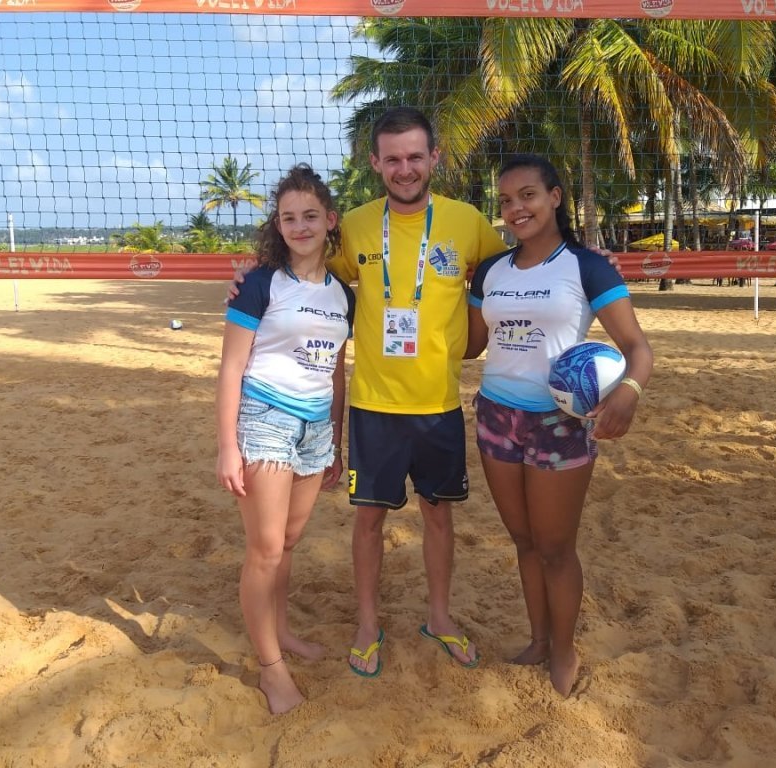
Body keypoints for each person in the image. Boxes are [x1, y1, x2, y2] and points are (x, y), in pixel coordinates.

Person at [228, 108, 622, 679]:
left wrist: (594, 259)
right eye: (392, 158)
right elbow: (302, 263)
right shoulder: (356, 226)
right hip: (372, 404)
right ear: (375, 164)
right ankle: (367, 623)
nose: (405, 168)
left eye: (415, 156)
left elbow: (528, 254)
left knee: (439, 518)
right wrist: (249, 275)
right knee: (368, 522)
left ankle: (439, 616)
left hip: (439, 403)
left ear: (434, 157)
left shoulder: (467, 223)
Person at [465, 154, 653, 697]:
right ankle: (540, 639)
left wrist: (629, 392)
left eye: (526, 195)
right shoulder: (493, 271)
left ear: (555, 197)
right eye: (505, 200)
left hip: (559, 423)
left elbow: (638, 348)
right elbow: (474, 345)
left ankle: (565, 650)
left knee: (555, 546)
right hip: (497, 415)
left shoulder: (588, 267)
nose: (515, 209)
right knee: (522, 540)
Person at [215, 164, 355, 714]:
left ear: (330, 220)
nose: (299, 226)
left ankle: (282, 630)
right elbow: (231, 368)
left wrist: (335, 441)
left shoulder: (343, 292)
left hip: (316, 426)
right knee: (266, 549)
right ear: (278, 224)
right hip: (264, 418)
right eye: (289, 217)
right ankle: (271, 671)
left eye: (310, 216)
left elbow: (336, 371)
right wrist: (229, 445)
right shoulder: (260, 283)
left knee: (289, 544)